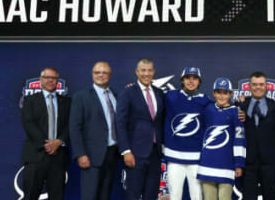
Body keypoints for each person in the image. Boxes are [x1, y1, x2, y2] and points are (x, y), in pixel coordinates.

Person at [116, 58, 165, 200]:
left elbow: (161, 120)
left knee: (151, 194)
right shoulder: (128, 92)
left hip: (155, 153)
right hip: (135, 153)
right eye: (143, 70)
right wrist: (126, 151)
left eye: (149, 70)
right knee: (133, 194)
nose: (146, 73)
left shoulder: (159, 93)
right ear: (137, 72)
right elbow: (120, 123)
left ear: (153, 72)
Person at [69, 61, 119, 200]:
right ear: (92, 74)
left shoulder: (115, 95)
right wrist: (80, 154)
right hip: (90, 156)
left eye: (104, 73)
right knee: (89, 196)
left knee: (105, 195)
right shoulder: (81, 96)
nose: (101, 75)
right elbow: (74, 127)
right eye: (97, 72)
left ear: (110, 75)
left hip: (112, 153)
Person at [21, 67, 70, 200]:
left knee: (57, 196)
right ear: (41, 80)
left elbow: (70, 126)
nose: (50, 80)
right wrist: (47, 145)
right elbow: (29, 124)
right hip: (35, 155)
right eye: (47, 77)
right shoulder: (30, 100)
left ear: (57, 81)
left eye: (53, 78)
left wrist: (58, 142)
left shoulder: (67, 102)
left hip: (58, 157)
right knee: (30, 195)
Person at [163, 67, 212, 199]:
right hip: (174, 158)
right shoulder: (171, 96)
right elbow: (149, 99)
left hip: (196, 159)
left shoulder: (206, 101)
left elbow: (221, 112)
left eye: (194, 78)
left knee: (196, 196)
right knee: (175, 195)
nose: (191, 81)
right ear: (182, 80)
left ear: (199, 81)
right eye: (187, 78)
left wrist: (238, 105)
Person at [197, 78, 245, 200]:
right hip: (207, 164)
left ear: (230, 94)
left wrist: (239, 163)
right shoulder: (207, 109)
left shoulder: (236, 112)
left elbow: (239, 140)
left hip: (226, 165)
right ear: (213, 93)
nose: (222, 96)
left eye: (225, 92)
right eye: (219, 92)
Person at [238, 71, 275, 200]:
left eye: (261, 84)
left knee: (270, 197)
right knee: (248, 197)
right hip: (248, 162)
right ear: (249, 86)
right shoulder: (241, 105)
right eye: (255, 84)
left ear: (266, 86)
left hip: (270, 162)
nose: (258, 87)